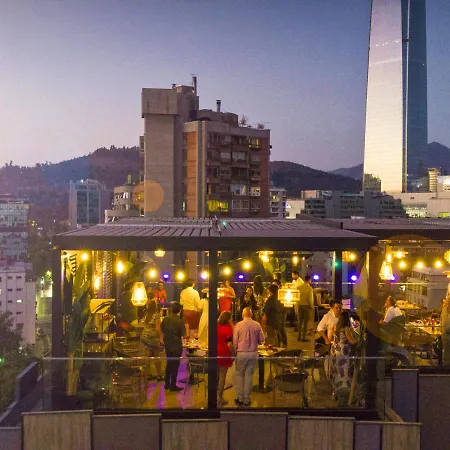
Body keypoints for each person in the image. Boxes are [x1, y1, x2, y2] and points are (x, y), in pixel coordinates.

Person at [233, 307, 265, 407]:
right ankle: (247, 399)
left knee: (239, 375)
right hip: (253, 353)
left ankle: (240, 398)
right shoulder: (257, 325)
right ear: (251, 314)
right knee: (249, 376)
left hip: (241, 353)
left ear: (243, 314)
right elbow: (262, 340)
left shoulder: (238, 325)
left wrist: (235, 352)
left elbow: (235, 341)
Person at [329, 310, 357, 399]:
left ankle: (335, 392)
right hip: (342, 351)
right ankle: (345, 392)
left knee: (336, 371)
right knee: (344, 372)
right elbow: (351, 341)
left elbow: (332, 338)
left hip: (335, 350)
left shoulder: (335, 326)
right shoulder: (346, 328)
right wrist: (360, 339)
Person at [161, 302, 185, 391]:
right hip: (176, 345)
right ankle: (173, 385)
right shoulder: (179, 320)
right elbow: (183, 334)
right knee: (175, 365)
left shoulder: (165, 319)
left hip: (168, 344)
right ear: (179, 310)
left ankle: (166, 384)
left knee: (169, 363)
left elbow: (162, 329)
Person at [140, 300, 163, 380]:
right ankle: (159, 375)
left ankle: (148, 374)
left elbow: (142, 322)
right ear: (155, 306)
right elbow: (157, 329)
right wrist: (160, 339)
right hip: (153, 338)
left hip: (145, 337)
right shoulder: (156, 315)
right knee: (157, 356)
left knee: (147, 355)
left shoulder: (147, 314)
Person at [217, 311, 234, 407]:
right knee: (222, 376)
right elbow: (229, 343)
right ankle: (219, 397)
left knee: (216, 375)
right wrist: (233, 354)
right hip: (224, 352)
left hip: (215, 351)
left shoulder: (216, 327)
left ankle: (214, 395)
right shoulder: (228, 329)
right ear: (227, 319)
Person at [296, 275, 314, 342]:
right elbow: (310, 299)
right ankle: (303, 337)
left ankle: (298, 337)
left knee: (300, 322)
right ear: (309, 280)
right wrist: (311, 306)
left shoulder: (299, 287)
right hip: (307, 307)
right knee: (305, 323)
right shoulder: (309, 288)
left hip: (300, 306)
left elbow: (297, 298)